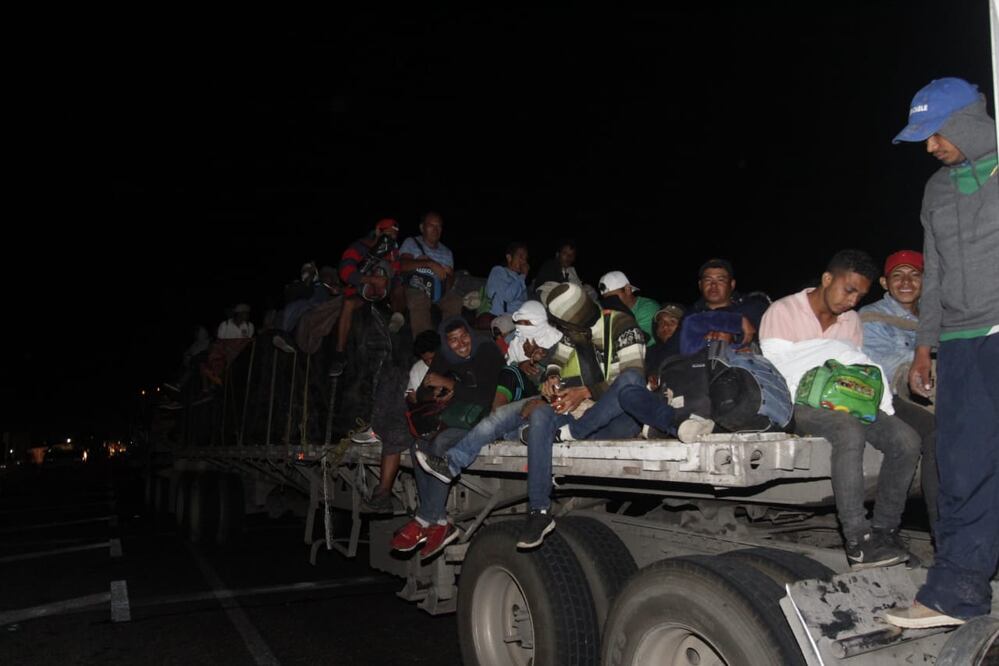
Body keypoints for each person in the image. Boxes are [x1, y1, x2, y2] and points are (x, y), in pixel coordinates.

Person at [884, 77, 999, 629]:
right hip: (958, 343)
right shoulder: (937, 189)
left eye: (935, 134)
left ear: (967, 122)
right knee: (962, 468)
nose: (930, 147)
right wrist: (925, 349)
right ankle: (958, 593)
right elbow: (934, 279)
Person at [760, 249, 921, 570]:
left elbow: (852, 369)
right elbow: (778, 372)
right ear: (827, 279)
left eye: (860, 296)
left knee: (907, 440)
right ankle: (857, 540)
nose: (852, 301)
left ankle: (885, 531)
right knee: (847, 428)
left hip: (844, 397)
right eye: (848, 290)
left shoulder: (851, 322)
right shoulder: (783, 311)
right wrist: (830, 354)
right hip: (793, 402)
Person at [389, 318, 503, 559]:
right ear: (446, 342)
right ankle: (439, 520)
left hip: (485, 419)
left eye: (464, 336)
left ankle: (424, 519)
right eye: (453, 340)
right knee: (418, 444)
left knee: (440, 444)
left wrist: (450, 384)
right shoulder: (443, 356)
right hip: (456, 417)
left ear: (471, 333)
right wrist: (437, 391)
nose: (461, 344)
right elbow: (421, 393)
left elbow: (487, 395)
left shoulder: (486, 350)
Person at [860, 250, 939, 532]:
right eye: (898, 275)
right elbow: (887, 369)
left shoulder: (936, 319)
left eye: (914, 275)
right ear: (884, 282)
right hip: (888, 396)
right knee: (933, 435)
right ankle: (939, 530)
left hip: (928, 394)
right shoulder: (870, 317)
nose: (906, 282)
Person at [362, 329, 442, 513]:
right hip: (419, 417)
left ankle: (427, 509)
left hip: (444, 421)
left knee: (418, 446)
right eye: (426, 359)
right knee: (398, 436)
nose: (430, 363)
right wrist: (422, 396)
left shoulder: (452, 363)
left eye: (433, 358)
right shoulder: (417, 369)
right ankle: (384, 494)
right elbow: (414, 400)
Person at [330, 219, 406, 377]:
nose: (391, 239)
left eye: (394, 236)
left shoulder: (393, 252)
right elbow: (345, 272)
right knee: (348, 303)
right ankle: (339, 354)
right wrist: (371, 280)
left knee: (399, 286)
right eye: (388, 235)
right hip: (362, 293)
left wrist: (389, 281)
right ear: (378, 231)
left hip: (385, 294)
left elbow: (397, 274)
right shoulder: (359, 247)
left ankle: (397, 317)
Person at [399, 212, 463, 337]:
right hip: (415, 286)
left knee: (455, 300)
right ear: (422, 228)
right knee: (419, 299)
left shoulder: (447, 252)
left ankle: (448, 341)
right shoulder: (411, 242)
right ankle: (426, 349)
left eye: (439, 226)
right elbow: (402, 265)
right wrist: (429, 263)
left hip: (439, 290)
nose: (435, 229)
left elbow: (449, 284)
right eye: (431, 225)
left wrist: (450, 275)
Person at [690, 258, 770, 336]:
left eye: (720, 280)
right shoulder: (689, 316)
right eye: (708, 280)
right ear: (700, 285)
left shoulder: (754, 309)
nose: (713, 285)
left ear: (732, 284)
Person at [598, 271, 659, 346]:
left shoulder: (648, 308)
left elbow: (638, 341)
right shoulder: (608, 311)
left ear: (628, 290)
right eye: (606, 299)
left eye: (613, 297)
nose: (610, 302)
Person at [485, 242, 530, 316]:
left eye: (525, 259)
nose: (524, 262)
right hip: (502, 317)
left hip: (519, 317)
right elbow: (507, 297)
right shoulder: (498, 271)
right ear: (509, 258)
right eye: (521, 257)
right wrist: (523, 275)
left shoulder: (519, 279)